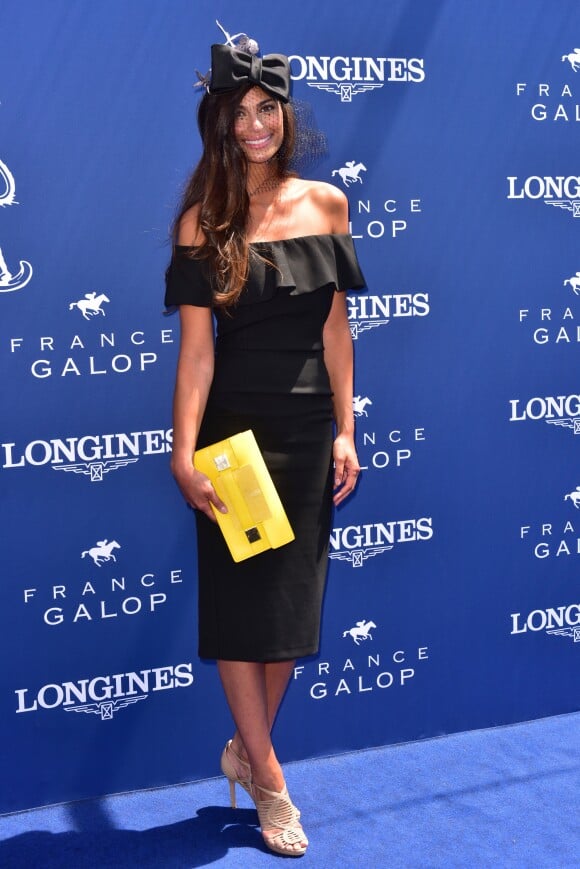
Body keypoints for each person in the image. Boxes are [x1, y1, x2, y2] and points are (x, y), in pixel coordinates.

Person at [165, 32, 365, 857]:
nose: (256, 125)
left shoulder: (326, 204)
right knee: (244, 615)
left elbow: (337, 328)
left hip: (307, 431)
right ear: (220, 122)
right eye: (240, 112)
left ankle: (245, 751)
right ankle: (272, 779)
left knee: (287, 616)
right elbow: (197, 354)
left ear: (285, 116)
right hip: (233, 444)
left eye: (267, 109)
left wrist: (348, 425)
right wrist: (183, 452)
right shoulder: (200, 223)